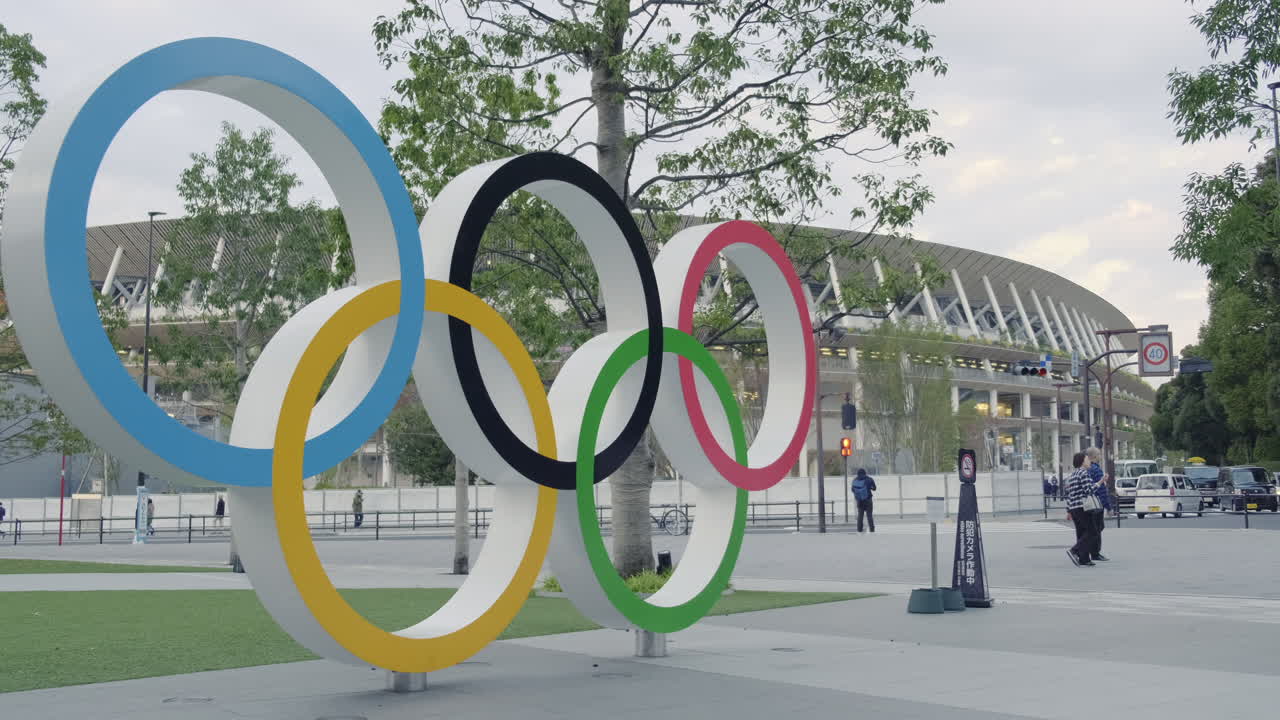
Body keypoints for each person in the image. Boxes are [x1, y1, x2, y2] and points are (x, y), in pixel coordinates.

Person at [1065, 451, 1099, 567]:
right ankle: (1074, 550)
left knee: (1081, 533)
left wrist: (1068, 510)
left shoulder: (1073, 475)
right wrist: (1100, 483)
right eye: (1087, 459)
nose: (1089, 461)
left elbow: (1069, 494)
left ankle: (1084, 559)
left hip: (1074, 508)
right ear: (1082, 462)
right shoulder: (1083, 473)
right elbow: (1089, 490)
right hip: (1082, 507)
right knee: (1092, 531)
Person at [852, 468, 876, 533]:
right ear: (865, 473)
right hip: (868, 499)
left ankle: (859, 529)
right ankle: (872, 529)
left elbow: (853, 490)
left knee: (860, 516)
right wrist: (870, 488)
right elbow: (874, 488)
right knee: (869, 515)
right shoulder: (869, 479)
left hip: (860, 500)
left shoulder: (855, 480)